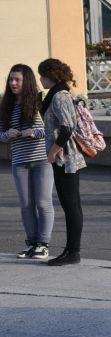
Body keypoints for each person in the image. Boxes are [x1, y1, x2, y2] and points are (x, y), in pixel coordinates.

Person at [1, 64, 53, 260]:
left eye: (17, 80)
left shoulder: (40, 102)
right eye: (11, 79)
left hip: (42, 160)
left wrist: (34, 132)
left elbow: (53, 128)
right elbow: (1, 134)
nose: (13, 83)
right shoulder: (6, 105)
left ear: (27, 81)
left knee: (43, 203)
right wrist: (7, 134)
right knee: (26, 204)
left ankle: (43, 244)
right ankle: (32, 244)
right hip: (20, 162)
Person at [38, 58, 86, 267]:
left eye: (42, 75)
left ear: (50, 75)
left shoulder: (59, 96)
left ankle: (73, 252)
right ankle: (70, 249)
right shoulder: (57, 94)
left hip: (66, 159)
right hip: (64, 157)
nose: (40, 79)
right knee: (70, 204)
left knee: (71, 205)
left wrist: (52, 152)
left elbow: (68, 127)